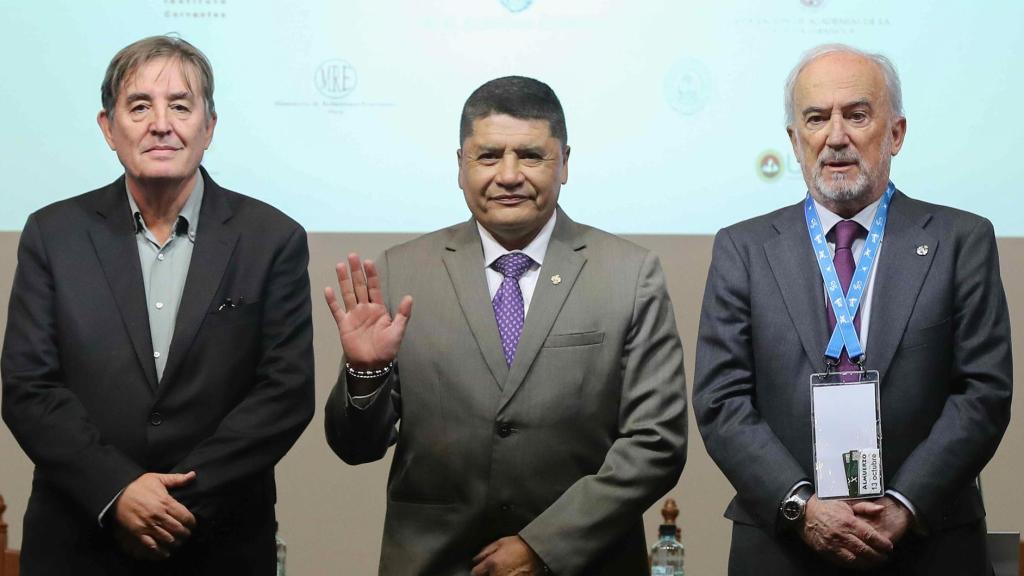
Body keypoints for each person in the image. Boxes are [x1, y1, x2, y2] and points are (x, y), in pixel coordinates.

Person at [323, 76, 687, 576]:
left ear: (564, 163)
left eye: (532, 156)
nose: (509, 175)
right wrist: (365, 375)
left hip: (584, 563)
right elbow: (355, 447)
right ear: (460, 166)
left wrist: (545, 546)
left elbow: (657, 443)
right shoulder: (400, 271)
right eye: (489, 156)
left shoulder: (629, 274)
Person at [693, 44, 1012, 575]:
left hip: (927, 546)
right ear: (795, 142)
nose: (836, 136)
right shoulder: (743, 249)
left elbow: (983, 393)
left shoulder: (962, 240)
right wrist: (802, 507)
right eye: (816, 118)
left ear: (896, 134)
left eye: (857, 115)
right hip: (783, 545)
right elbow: (721, 400)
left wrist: (905, 504)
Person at [1, 35, 314, 575]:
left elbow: (283, 394)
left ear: (209, 127)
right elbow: (28, 387)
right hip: (79, 537)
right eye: (140, 105)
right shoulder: (53, 234)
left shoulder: (273, 238)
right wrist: (117, 490)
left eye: (181, 106)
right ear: (108, 127)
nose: (161, 123)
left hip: (218, 541)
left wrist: (172, 504)